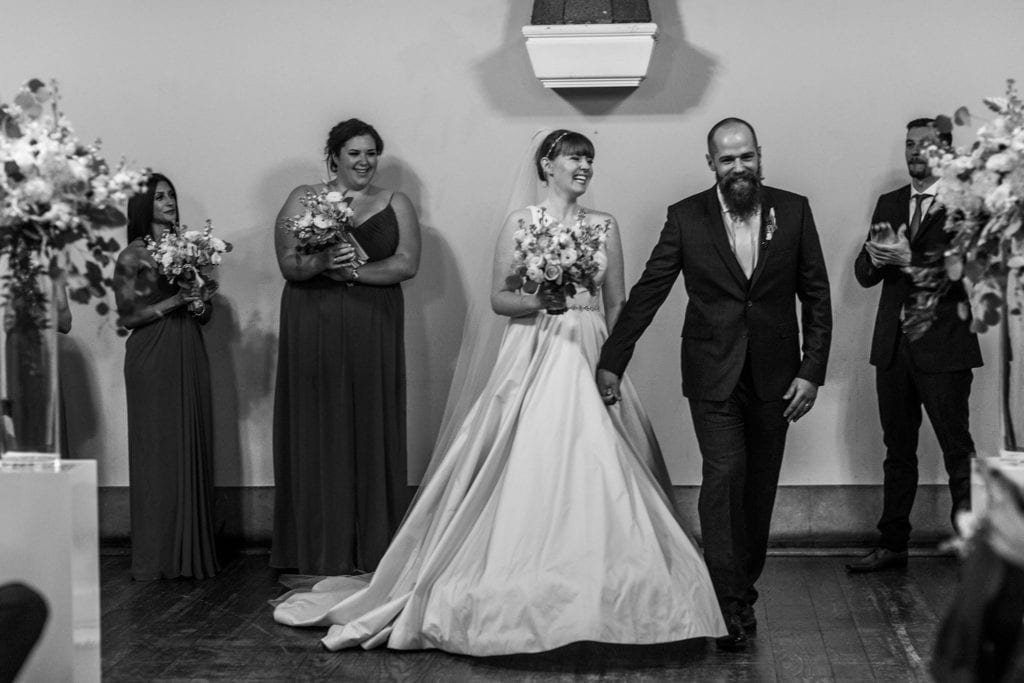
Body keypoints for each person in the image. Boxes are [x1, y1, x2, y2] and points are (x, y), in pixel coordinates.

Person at [272, 129, 726, 655]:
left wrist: (615, 362)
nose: (585, 167)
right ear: (547, 165)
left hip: (592, 347)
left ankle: (622, 590)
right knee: (533, 456)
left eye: (590, 159)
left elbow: (618, 303)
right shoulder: (522, 224)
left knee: (609, 461)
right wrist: (541, 299)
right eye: (576, 157)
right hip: (536, 348)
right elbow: (498, 300)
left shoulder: (605, 226)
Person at [597, 118, 833, 651]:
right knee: (725, 478)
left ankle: (740, 589)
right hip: (712, 374)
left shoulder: (793, 210)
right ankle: (729, 605)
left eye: (746, 156)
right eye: (727, 159)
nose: (739, 167)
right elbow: (649, 291)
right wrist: (614, 359)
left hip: (778, 379)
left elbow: (816, 297)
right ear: (711, 164)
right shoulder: (686, 218)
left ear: (759, 156)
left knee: (758, 489)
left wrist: (811, 370)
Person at [271, 119, 420, 576]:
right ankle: (316, 545)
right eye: (354, 153)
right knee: (319, 423)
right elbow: (289, 265)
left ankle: (373, 543)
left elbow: (407, 264)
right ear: (333, 156)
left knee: (368, 421)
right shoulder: (303, 197)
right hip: (313, 323)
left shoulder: (397, 202)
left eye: (372, 153)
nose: (364, 161)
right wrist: (322, 262)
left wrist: (349, 273)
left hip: (372, 325)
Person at [847, 118, 982, 574]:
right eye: (908, 145)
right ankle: (892, 545)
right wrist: (874, 254)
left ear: (945, 150)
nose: (914, 153)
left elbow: (969, 280)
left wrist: (911, 259)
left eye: (923, 145)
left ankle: (972, 546)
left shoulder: (965, 201)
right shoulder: (890, 202)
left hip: (944, 347)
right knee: (897, 451)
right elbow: (865, 277)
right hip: (893, 347)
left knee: (956, 449)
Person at [114, 172, 220, 580]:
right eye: (159, 197)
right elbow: (127, 317)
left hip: (188, 347)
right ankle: (158, 556)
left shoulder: (189, 249)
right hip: (152, 354)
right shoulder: (131, 256)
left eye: (171, 195)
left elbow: (204, 312)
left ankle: (191, 551)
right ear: (144, 206)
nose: (169, 202)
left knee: (190, 442)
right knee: (157, 451)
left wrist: (196, 303)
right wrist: (176, 299)